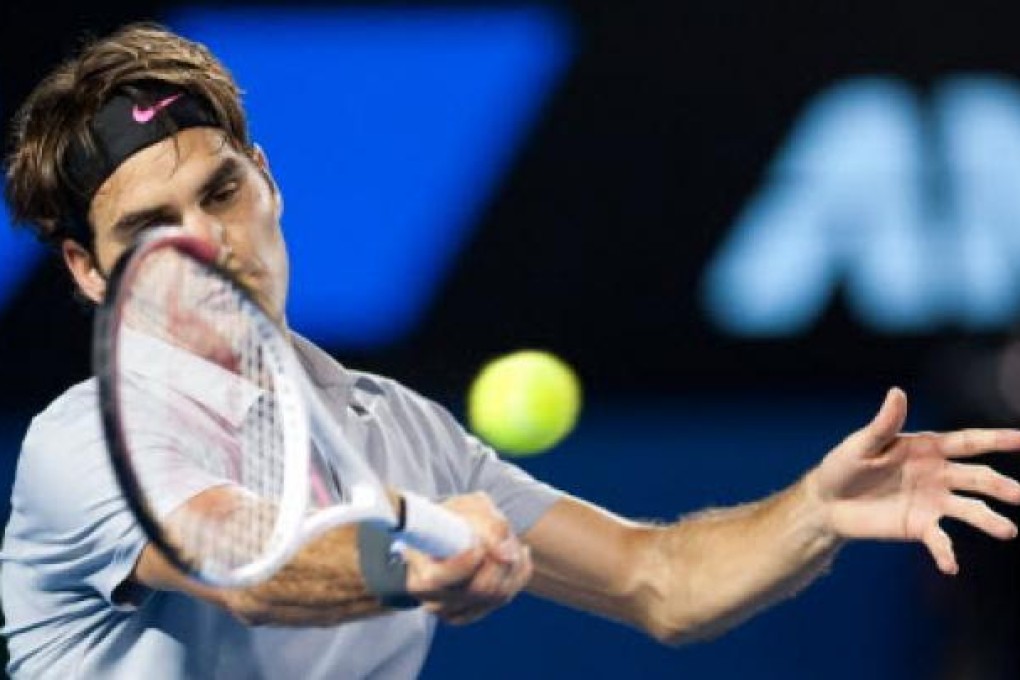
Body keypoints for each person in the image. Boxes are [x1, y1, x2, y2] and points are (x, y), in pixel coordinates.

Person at [3, 22, 1020, 679]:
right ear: (91, 273)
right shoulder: (84, 443)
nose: (209, 244)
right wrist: (417, 553)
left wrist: (814, 509)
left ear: (267, 181)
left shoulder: (398, 428)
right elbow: (248, 564)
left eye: (222, 191)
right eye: (150, 227)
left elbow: (657, 576)